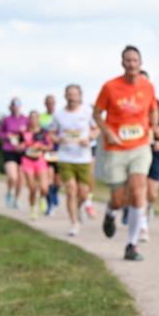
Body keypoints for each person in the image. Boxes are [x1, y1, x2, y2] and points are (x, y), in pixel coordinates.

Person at [93, 45, 159, 261]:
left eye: (135, 60)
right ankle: (111, 212)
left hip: (140, 147)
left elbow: (153, 109)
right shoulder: (110, 87)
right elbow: (97, 113)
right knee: (119, 199)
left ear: (141, 63)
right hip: (116, 149)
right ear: (122, 63)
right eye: (128, 60)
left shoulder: (147, 86)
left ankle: (132, 245)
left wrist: (154, 126)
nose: (132, 64)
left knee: (138, 192)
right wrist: (108, 132)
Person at [51, 84, 98, 236]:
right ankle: (74, 223)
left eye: (75, 94)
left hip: (83, 157)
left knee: (83, 193)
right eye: (69, 94)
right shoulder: (59, 114)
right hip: (65, 157)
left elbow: (97, 129)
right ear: (65, 96)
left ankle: (78, 208)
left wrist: (89, 138)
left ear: (80, 96)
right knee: (71, 189)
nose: (72, 97)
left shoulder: (87, 111)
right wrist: (58, 139)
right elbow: (51, 133)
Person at [138, 70, 159, 242]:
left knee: (152, 192)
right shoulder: (129, 104)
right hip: (136, 150)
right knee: (139, 187)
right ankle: (143, 226)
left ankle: (149, 206)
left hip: (154, 150)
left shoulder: (158, 105)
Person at [20, 111, 52, 220]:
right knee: (32, 188)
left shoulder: (44, 132)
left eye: (35, 118)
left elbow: (50, 146)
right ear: (29, 119)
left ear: (38, 119)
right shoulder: (24, 132)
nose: (33, 120)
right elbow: (18, 145)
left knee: (44, 187)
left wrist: (41, 146)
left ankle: (42, 198)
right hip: (27, 160)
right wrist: (22, 146)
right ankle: (33, 209)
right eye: (31, 118)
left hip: (40, 160)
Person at [0, 98, 29, 209]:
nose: (16, 107)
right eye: (14, 105)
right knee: (13, 176)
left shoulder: (26, 119)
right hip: (9, 149)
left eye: (18, 105)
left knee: (21, 178)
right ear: (10, 107)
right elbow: (0, 133)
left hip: (22, 151)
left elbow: (31, 134)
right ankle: (9, 191)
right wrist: (7, 136)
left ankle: (17, 199)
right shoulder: (6, 120)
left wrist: (24, 143)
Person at [39, 94, 61, 215]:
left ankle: (55, 193)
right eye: (48, 103)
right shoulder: (41, 118)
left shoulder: (60, 116)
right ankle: (50, 203)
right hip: (47, 151)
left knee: (58, 181)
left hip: (60, 151)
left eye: (52, 103)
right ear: (45, 104)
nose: (50, 105)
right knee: (49, 178)